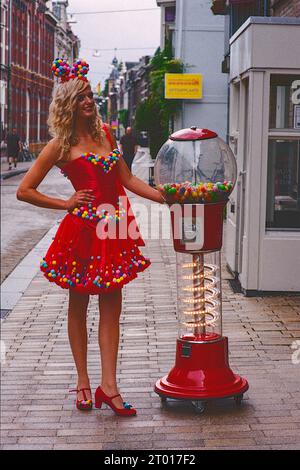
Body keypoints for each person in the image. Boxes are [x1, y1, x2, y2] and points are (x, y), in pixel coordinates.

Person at [16, 58, 165, 417]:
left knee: (113, 308)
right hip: (82, 231)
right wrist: (66, 202)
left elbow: (127, 180)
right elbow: (24, 190)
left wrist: (164, 196)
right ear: (68, 102)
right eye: (81, 96)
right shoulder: (59, 145)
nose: (89, 101)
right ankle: (84, 381)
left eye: (89, 95)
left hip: (113, 229)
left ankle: (109, 387)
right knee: (79, 307)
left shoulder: (105, 136)